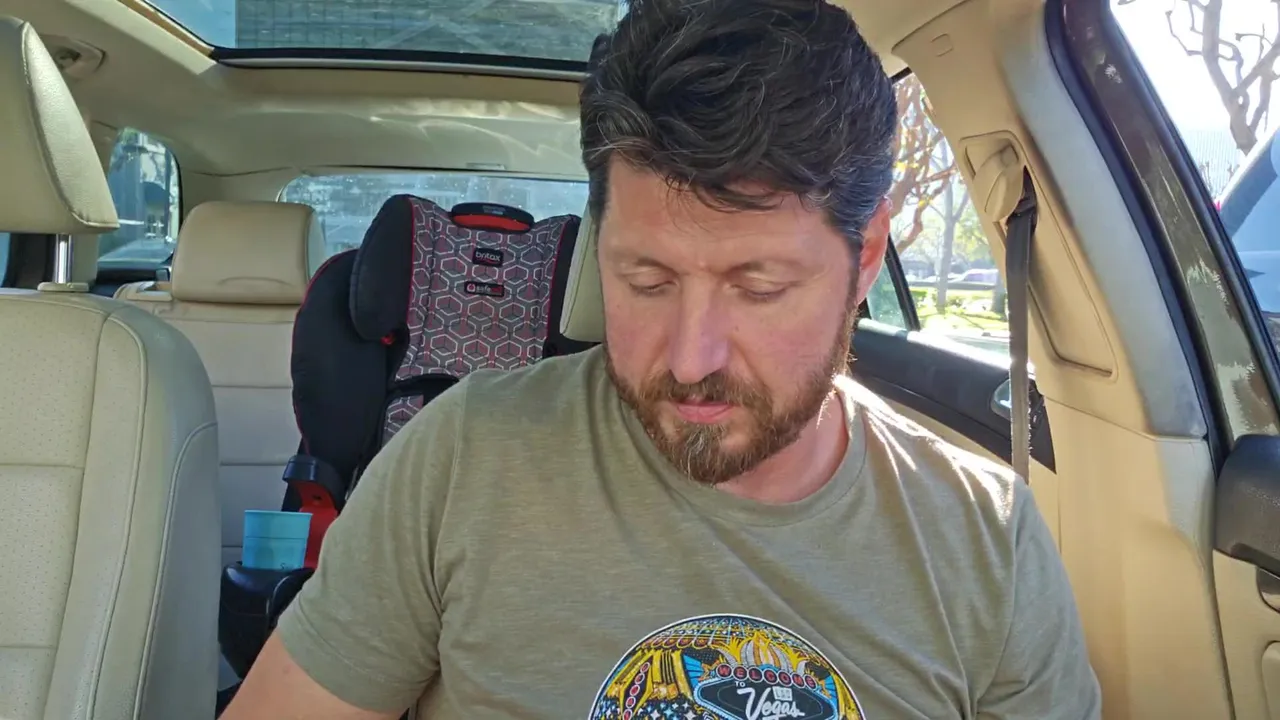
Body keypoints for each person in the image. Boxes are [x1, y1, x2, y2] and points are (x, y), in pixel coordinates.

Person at [223, 0, 1102, 717]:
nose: (688, 359)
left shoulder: (985, 538)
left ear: (865, 256)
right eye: (645, 281)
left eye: (759, 287)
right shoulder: (461, 459)